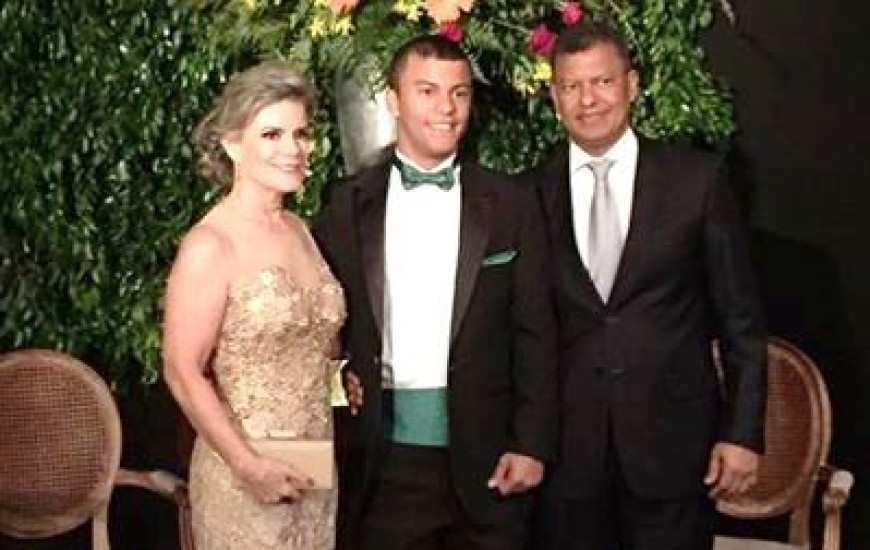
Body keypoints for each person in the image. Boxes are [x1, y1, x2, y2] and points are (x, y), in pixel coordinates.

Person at [313, 35, 559, 550]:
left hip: (493, 460)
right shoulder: (346, 204)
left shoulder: (512, 202)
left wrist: (531, 444)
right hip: (383, 462)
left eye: (459, 93)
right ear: (393, 99)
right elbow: (322, 321)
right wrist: (340, 381)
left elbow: (537, 330)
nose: (446, 108)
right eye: (427, 91)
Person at [530, 21, 767, 550]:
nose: (588, 100)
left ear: (632, 85)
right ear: (554, 97)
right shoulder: (530, 193)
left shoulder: (697, 181)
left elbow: (742, 322)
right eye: (571, 86)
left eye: (603, 81)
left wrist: (742, 434)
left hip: (674, 451)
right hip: (568, 459)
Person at [162, 61, 346, 549]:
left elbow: (316, 346)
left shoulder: (300, 230)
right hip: (243, 477)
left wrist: (341, 386)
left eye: (301, 134)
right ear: (231, 144)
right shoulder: (210, 244)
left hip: (314, 472)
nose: (292, 148)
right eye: (271, 134)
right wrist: (248, 467)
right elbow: (181, 370)